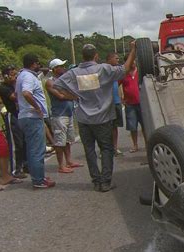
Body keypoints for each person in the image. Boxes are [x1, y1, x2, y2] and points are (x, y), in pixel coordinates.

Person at [53, 43, 136, 192]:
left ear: (82, 56)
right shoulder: (103, 69)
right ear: (96, 56)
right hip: (103, 118)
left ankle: (96, 180)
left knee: (89, 150)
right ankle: (105, 181)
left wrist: (75, 97)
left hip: (84, 119)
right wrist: (133, 50)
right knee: (106, 149)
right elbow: (125, 68)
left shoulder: (74, 73)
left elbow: (56, 85)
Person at [16, 54, 56, 189]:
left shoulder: (21, 76)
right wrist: (37, 107)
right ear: (33, 64)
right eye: (38, 63)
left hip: (26, 116)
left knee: (33, 149)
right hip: (32, 117)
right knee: (37, 149)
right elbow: (26, 93)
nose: (39, 66)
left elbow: (18, 95)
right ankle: (38, 180)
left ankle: (38, 176)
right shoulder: (27, 76)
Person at [45, 58, 83, 173]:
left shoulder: (64, 80)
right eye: (61, 66)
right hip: (59, 115)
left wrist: (70, 94)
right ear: (55, 68)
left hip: (69, 113)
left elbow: (71, 91)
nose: (64, 68)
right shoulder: (50, 81)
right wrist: (74, 96)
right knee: (59, 141)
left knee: (67, 140)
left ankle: (69, 161)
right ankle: (61, 165)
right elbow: (60, 96)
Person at [0, 65, 28, 178]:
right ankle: (16, 169)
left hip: (21, 114)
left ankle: (25, 164)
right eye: (12, 75)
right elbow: (15, 97)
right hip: (12, 115)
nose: (15, 77)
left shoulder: (15, 85)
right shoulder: (4, 87)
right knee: (17, 143)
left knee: (25, 141)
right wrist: (15, 83)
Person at [120, 56, 145, 153]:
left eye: (134, 61)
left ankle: (148, 144)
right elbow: (117, 85)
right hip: (130, 104)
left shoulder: (141, 72)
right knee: (132, 126)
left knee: (145, 126)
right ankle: (135, 145)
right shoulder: (124, 74)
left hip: (143, 103)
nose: (133, 63)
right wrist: (121, 98)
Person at [105, 52, 124, 156]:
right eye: (116, 58)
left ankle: (115, 148)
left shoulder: (117, 71)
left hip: (116, 102)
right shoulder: (104, 70)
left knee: (115, 127)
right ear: (110, 59)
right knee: (106, 128)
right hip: (107, 103)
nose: (118, 60)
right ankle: (106, 149)